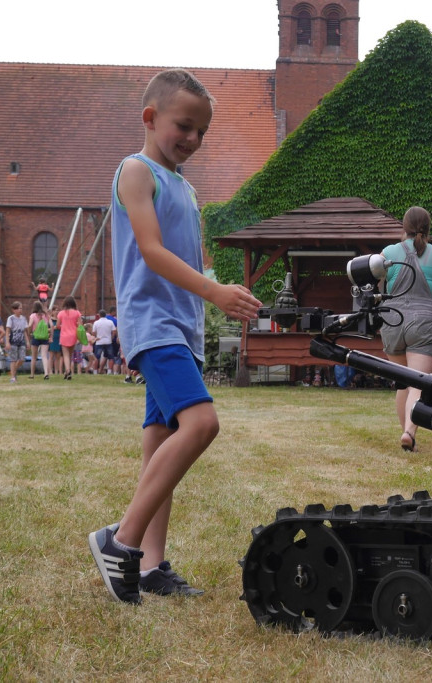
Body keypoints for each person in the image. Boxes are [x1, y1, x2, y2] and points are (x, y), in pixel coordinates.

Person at [89, 69, 260, 605]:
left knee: (161, 442)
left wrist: (215, 296)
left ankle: (152, 566)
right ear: (150, 118)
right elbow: (151, 251)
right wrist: (216, 292)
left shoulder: (187, 188)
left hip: (181, 329)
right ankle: (120, 540)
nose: (192, 139)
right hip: (152, 326)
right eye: (184, 126)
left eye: (201, 132)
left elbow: (189, 258)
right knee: (202, 422)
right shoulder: (135, 172)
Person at [379, 206, 432, 452]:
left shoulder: (388, 252)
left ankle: (408, 440)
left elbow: (381, 289)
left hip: (392, 321)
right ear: (429, 227)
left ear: (404, 227)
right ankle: (409, 432)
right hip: (424, 323)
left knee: (403, 383)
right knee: (418, 383)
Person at [56, 296, 82, 380]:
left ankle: (67, 370)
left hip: (64, 335)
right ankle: (68, 371)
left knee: (65, 354)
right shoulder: (77, 312)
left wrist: (62, 327)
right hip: (74, 335)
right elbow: (80, 325)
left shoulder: (61, 313)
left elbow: (57, 325)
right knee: (70, 355)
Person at [4, 301, 29, 383]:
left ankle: (13, 372)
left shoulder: (24, 319)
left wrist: (27, 341)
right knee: (13, 359)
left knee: (22, 358)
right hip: (13, 341)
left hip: (21, 341)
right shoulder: (11, 318)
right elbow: (7, 330)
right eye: (18, 308)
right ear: (14, 310)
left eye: (21, 308)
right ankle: (13, 377)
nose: (20, 310)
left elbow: (25, 331)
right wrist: (7, 342)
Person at [28, 301, 52, 379]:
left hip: (36, 336)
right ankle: (46, 373)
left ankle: (32, 375)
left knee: (34, 357)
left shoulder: (33, 316)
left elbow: (30, 325)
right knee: (44, 356)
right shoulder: (46, 315)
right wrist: (51, 336)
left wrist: (29, 333)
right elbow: (51, 325)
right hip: (45, 337)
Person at [92, 309, 117, 374]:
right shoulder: (110, 322)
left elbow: (93, 332)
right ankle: (109, 371)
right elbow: (114, 331)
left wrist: (96, 337)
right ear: (106, 315)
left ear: (99, 315)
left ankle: (95, 372)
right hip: (108, 341)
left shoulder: (96, 322)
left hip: (99, 341)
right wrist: (111, 338)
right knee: (111, 357)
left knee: (96, 357)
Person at [48, 305, 62, 376]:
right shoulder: (49, 320)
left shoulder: (60, 320)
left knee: (58, 356)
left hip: (59, 338)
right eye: (55, 310)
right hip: (52, 338)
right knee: (51, 355)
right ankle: (50, 370)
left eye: (58, 310)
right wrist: (54, 328)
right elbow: (47, 329)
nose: (57, 311)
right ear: (52, 311)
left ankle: (56, 371)